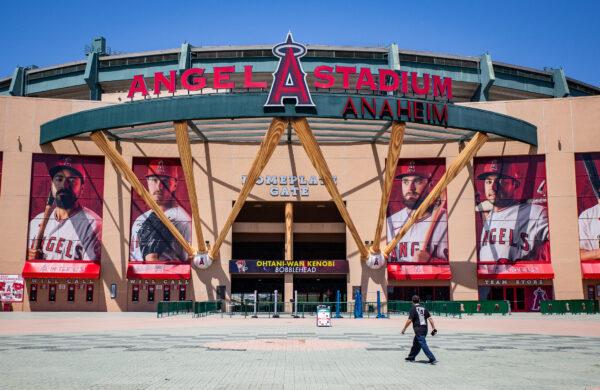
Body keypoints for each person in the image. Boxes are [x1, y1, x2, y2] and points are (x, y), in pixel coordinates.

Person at [27, 157, 102, 261]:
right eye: (58, 179)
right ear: (51, 184)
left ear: (82, 188)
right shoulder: (36, 222)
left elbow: (91, 274)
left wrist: (42, 265)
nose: (64, 184)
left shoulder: (93, 225)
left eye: (72, 180)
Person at [477, 159, 550, 262]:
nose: (492, 187)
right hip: (486, 277)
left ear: (515, 185)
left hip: (520, 277)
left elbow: (564, 244)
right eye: (489, 181)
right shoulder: (489, 218)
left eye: (500, 181)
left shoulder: (536, 213)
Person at [386, 160, 448, 262]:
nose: (410, 188)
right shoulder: (390, 222)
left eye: (417, 181)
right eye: (405, 181)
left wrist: (430, 261)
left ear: (429, 184)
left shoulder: (446, 220)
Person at [130, 159, 191, 262]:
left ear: (175, 184)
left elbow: (187, 262)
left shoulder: (182, 220)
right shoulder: (140, 219)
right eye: (154, 180)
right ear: (147, 182)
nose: (159, 187)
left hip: (165, 276)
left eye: (165, 181)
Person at [401, 295, 437, 364]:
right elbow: (430, 319)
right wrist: (433, 328)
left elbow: (409, 320)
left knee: (423, 344)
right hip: (424, 329)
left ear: (412, 301)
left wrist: (404, 329)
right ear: (419, 300)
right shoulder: (424, 308)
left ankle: (432, 358)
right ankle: (411, 357)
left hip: (418, 329)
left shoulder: (413, 309)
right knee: (416, 343)